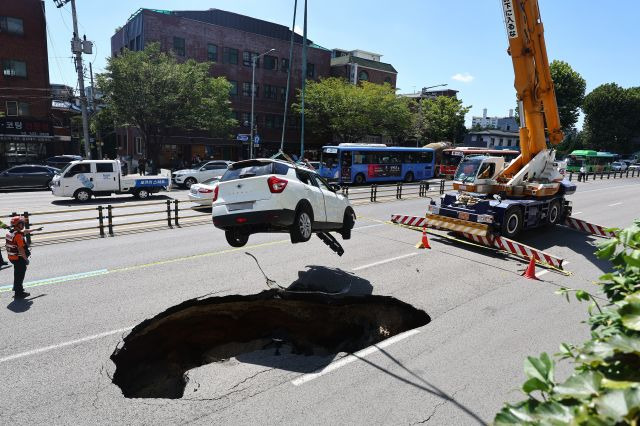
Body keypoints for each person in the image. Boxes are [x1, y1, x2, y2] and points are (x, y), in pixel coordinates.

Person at [5, 216, 31, 299]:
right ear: (17, 225)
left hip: (12, 258)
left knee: (17, 274)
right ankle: (19, 293)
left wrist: (35, 230)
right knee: (20, 275)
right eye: (21, 223)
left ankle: (17, 289)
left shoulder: (11, 233)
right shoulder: (18, 236)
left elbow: (24, 232)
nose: (23, 224)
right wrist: (26, 259)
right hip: (19, 259)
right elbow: (20, 249)